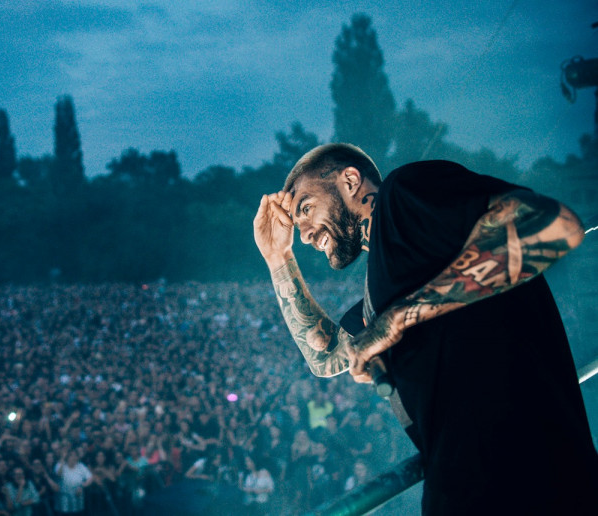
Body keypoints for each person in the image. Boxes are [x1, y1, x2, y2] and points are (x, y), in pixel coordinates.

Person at [253, 143, 598, 514]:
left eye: (306, 208)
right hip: (467, 492)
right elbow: (323, 356)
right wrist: (278, 258)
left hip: (532, 482)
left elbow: (549, 225)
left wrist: (398, 319)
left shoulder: (403, 195)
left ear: (350, 180)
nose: (304, 235)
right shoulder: (379, 292)